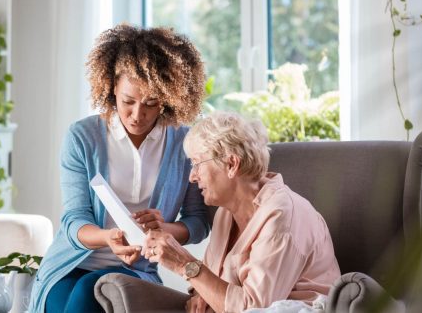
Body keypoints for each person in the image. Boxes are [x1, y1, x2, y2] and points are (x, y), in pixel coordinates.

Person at [28, 24, 211, 313]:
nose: (138, 114)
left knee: (91, 292)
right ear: (113, 87)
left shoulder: (184, 144)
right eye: (128, 101)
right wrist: (107, 238)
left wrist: (164, 229)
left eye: (151, 103)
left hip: (135, 269)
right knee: (68, 298)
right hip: (71, 264)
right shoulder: (82, 137)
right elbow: (74, 219)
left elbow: (198, 222)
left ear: (167, 98)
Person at [143, 111, 341, 312]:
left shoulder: (283, 215)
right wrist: (200, 294)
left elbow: (255, 309)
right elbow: (210, 278)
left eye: (197, 164)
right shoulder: (225, 213)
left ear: (231, 164)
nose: (192, 177)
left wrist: (184, 264)